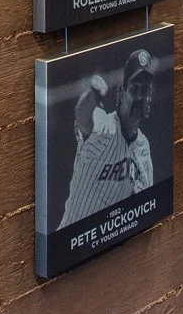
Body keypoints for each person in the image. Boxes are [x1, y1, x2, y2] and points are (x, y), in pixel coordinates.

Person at [59, 48, 157, 227]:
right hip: (73, 240)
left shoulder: (143, 146)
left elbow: (146, 204)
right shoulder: (105, 125)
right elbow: (83, 117)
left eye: (145, 90)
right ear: (121, 93)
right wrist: (94, 93)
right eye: (135, 89)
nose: (141, 97)